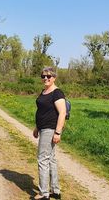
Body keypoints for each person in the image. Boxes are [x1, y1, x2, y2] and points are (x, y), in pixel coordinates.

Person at [33, 67, 67, 200]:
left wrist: (58, 132)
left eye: (48, 76)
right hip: (42, 128)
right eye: (43, 76)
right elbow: (42, 110)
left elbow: (62, 113)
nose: (45, 79)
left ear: (54, 78)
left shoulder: (57, 93)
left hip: (50, 129)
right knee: (51, 159)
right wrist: (37, 127)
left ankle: (43, 194)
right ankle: (55, 191)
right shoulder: (44, 91)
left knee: (42, 159)